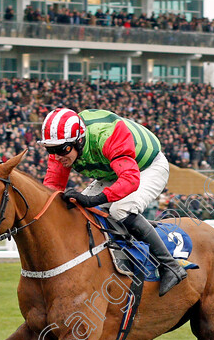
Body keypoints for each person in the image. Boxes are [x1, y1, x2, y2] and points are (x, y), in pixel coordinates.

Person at [39, 107, 188, 296]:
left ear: (80, 140)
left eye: (62, 150)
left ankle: (170, 266)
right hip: (113, 170)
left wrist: (93, 199)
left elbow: (130, 179)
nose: (58, 156)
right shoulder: (62, 145)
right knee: (77, 210)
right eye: (51, 150)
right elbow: (53, 186)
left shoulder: (108, 134)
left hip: (147, 167)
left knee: (120, 210)